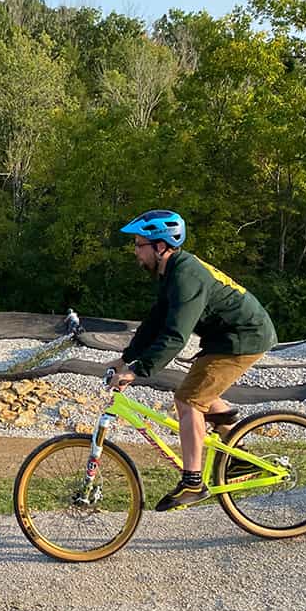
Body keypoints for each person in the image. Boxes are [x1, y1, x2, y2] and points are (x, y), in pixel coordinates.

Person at [108, 209, 278, 512]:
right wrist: (124, 359)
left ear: (160, 246)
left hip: (244, 338)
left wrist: (138, 371)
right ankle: (240, 456)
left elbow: (175, 335)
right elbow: (155, 322)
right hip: (223, 340)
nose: (135, 251)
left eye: (138, 244)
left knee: (188, 400)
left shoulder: (186, 276)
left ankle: (193, 483)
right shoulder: (172, 273)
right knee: (199, 393)